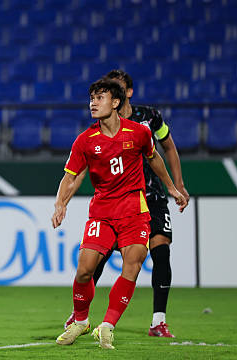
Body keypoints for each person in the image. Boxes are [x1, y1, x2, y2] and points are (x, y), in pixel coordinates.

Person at [52, 78, 187, 349]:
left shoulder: (139, 132)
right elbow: (70, 176)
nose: (93, 103)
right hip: (102, 211)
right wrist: (60, 204)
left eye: (99, 98)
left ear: (115, 102)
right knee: (84, 270)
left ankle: (108, 325)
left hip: (134, 210)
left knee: (133, 264)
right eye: (91, 98)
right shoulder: (85, 140)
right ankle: (81, 320)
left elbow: (155, 158)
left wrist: (172, 187)